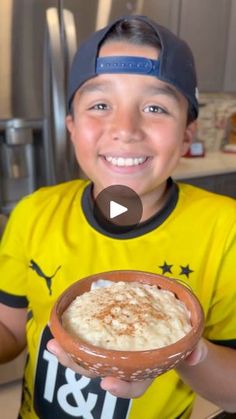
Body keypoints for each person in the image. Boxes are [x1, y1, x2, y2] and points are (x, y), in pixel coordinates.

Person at [0, 14, 236, 419]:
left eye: (155, 107)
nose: (125, 128)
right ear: (72, 126)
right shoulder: (34, 213)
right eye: (101, 104)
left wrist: (183, 348)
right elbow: (9, 330)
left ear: (186, 134)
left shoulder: (225, 229)